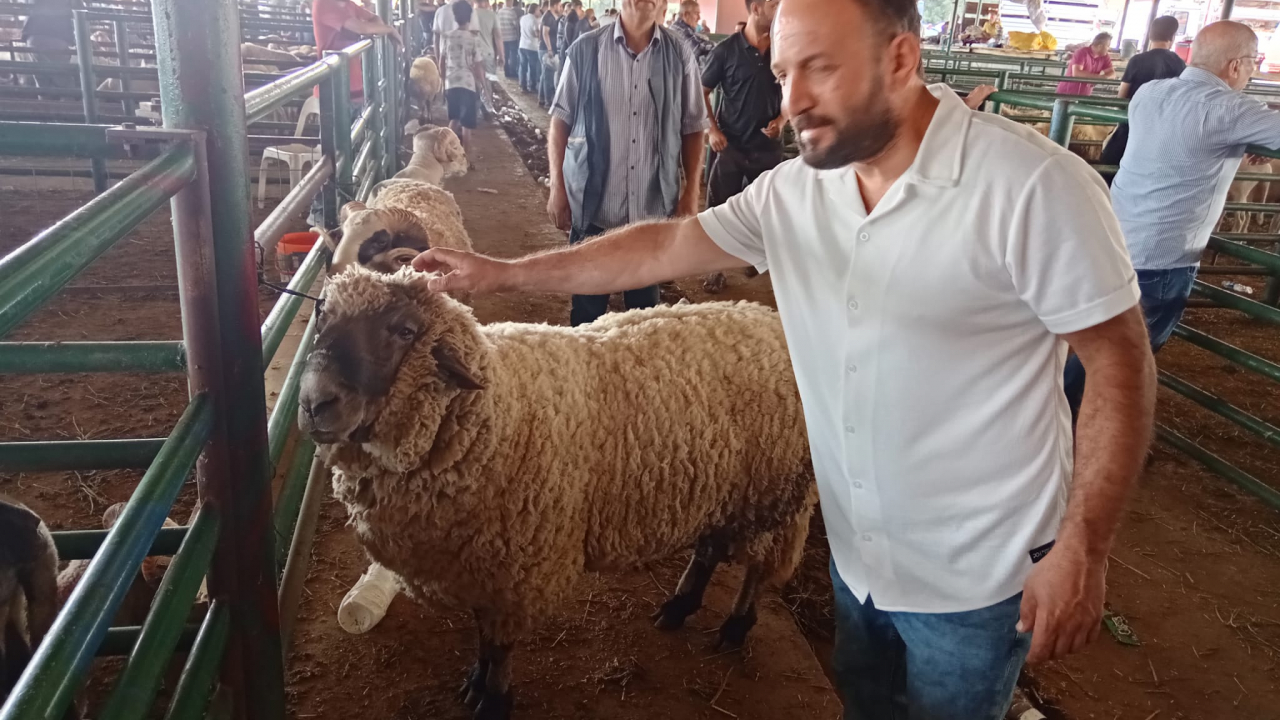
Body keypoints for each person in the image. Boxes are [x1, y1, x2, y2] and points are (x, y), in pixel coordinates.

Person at [414, 0, 1156, 717]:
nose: (790, 99)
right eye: (782, 70)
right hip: (858, 562)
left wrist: (1085, 549)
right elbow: (665, 245)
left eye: (819, 69)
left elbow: (1120, 362)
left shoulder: (1033, 187)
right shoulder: (798, 191)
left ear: (900, 57)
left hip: (979, 578)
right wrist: (505, 273)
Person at [1065, 20, 1280, 417]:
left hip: (1114, 239)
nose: (1252, 71)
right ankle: (1082, 436)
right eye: (1252, 63)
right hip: (1163, 258)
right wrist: (1259, 131)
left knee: (1096, 340)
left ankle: (1062, 421)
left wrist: (1256, 135)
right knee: (1126, 360)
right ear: (1235, 66)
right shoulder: (1233, 110)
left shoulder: (1150, 93)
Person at [543, 0, 708, 326]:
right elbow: (559, 123)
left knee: (643, 313)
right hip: (595, 208)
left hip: (650, 213)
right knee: (587, 312)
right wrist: (557, 187)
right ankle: (585, 373)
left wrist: (691, 193)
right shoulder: (585, 50)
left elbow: (692, 127)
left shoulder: (679, 54)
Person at [700, 0, 783, 293]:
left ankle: (755, 257)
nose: (781, 8)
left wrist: (782, 119)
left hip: (769, 147)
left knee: (767, 208)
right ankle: (715, 269)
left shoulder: (783, 48)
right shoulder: (725, 51)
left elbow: (795, 86)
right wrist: (712, 130)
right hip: (732, 146)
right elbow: (702, 92)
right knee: (719, 209)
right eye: (775, 4)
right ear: (756, 8)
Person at [310, 0, 400, 224]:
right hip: (334, 92)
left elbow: (373, 20)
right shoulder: (324, 4)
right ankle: (321, 216)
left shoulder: (347, 4)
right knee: (335, 158)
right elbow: (364, 28)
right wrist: (388, 29)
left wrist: (378, 26)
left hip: (355, 90)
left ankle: (346, 212)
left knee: (355, 153)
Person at [1097, 15, 1185, 173]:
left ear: (1150, 35)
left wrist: (1119, 120)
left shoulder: (1137, 60)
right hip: (1161, 130)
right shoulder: (1179, 63)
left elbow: (1122, 95)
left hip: (1131, 125)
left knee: (1111, 167)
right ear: (1172, 36)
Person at [440, 0, 485, 158]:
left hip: (451, 83)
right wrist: (483, 84)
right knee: (467, 123)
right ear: (469, 17)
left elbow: (441, 61)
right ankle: (465, 156)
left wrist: (443, 80)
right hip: (467, 83)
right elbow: (478, 65)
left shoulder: (447, 37)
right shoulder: (473, 39)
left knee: (454, 118)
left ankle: (446, 150)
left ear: (455, 17)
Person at [472, 0, 503, 113]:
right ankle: (487, 109)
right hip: (488, 54)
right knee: (487, 82)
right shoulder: (492, 15)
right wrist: (501, 55)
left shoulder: (470, 14)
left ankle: (474, 110)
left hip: (472, 54)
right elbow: (498, 37)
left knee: (474, 82)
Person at [670, 0, 714, 66]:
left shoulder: (677, 27)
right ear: (686, 15)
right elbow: (697, 48)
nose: (699, 18)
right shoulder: (680, 30)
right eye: (696, 13)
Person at [539, 0, 564, 107]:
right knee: (548, 76)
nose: (561, 7)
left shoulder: (552, 16)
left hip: (547, 49)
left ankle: (542, 99)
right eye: (559, 5)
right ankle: (548, 101)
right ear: (554, 5)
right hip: (546, 50)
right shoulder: (548, 16)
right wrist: (549, 49)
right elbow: (545, 33)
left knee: (545, 75)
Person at [519, 2, 543, 92]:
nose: (539, 12)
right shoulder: (534, 20)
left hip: (522, 45)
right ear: (535, 10)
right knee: (532, 68)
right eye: (538, 10)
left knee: (523, 66)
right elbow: (536, 34)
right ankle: (532, 86)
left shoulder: (523, 18)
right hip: (532, 46)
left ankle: (522, 85)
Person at [498, 0, 523, 77]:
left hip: (502, 37)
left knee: (505, 55)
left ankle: (506, 72)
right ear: (510, 2)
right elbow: (515, 25)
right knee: (513, 56)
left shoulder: (499, 12)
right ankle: (513, 72)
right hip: (512, 37)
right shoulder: (511, 12)